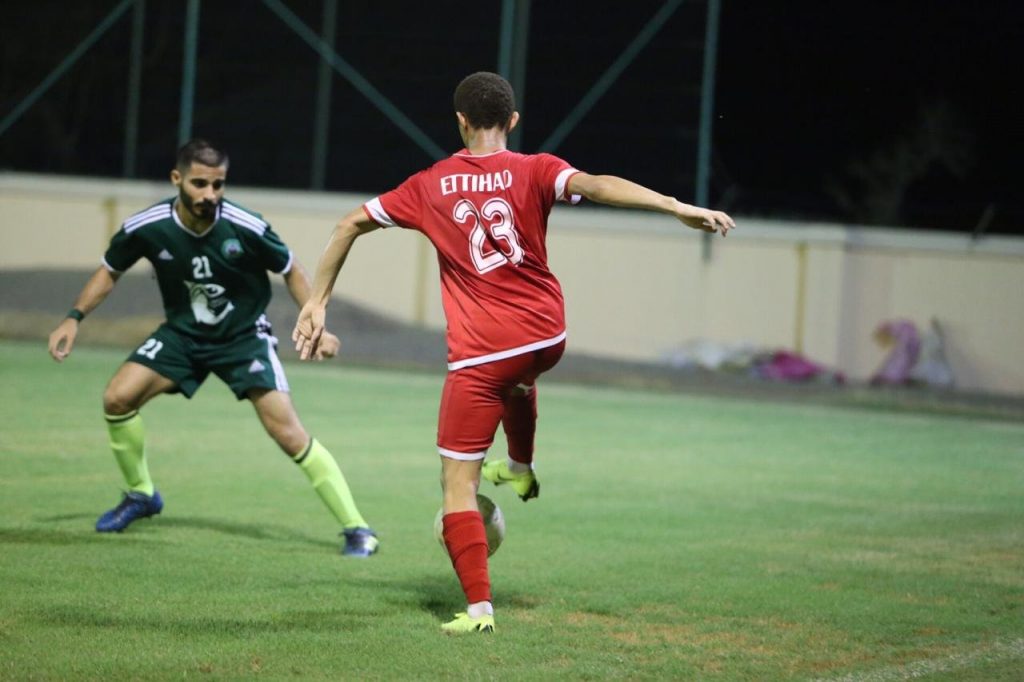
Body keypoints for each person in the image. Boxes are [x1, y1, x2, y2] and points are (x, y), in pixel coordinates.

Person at [292, 72, 734, 631]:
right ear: (514, 120)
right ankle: (521, 466)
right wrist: (676, 206)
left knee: (458, 485)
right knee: (520, 378)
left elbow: (348, 223)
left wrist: (317, 302)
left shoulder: (429, 184)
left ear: (460, 121)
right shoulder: (536, 168)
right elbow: (598, 185)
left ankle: (479, 609)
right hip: (547, 335)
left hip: (483, 352)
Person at [47, 139, 378, 558]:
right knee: (117, 398)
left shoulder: (246, 225)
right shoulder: (148, 226)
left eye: (218, 184)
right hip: (183, 336)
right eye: (200, 184)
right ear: (177, 179)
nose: (210, 194)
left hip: (243, 338)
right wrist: (73, 318)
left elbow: (290, 269)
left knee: (288, 433)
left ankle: (358, 529)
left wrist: (317, 324)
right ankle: (141, 494)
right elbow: (110, 270)